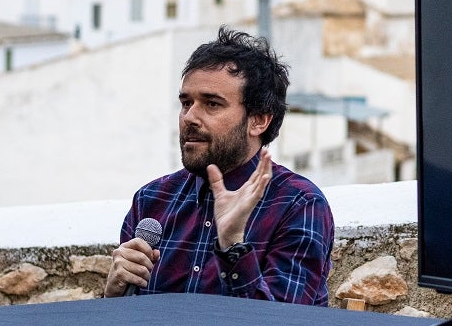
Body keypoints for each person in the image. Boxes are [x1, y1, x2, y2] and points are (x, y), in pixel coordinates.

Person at [105, 27, 335, 305]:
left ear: (258, 120)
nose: (190, 117)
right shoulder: (153, 200)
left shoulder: (298, 204)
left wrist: (233, 247)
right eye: (186, 102)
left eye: (212, 104)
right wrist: (112, 296)